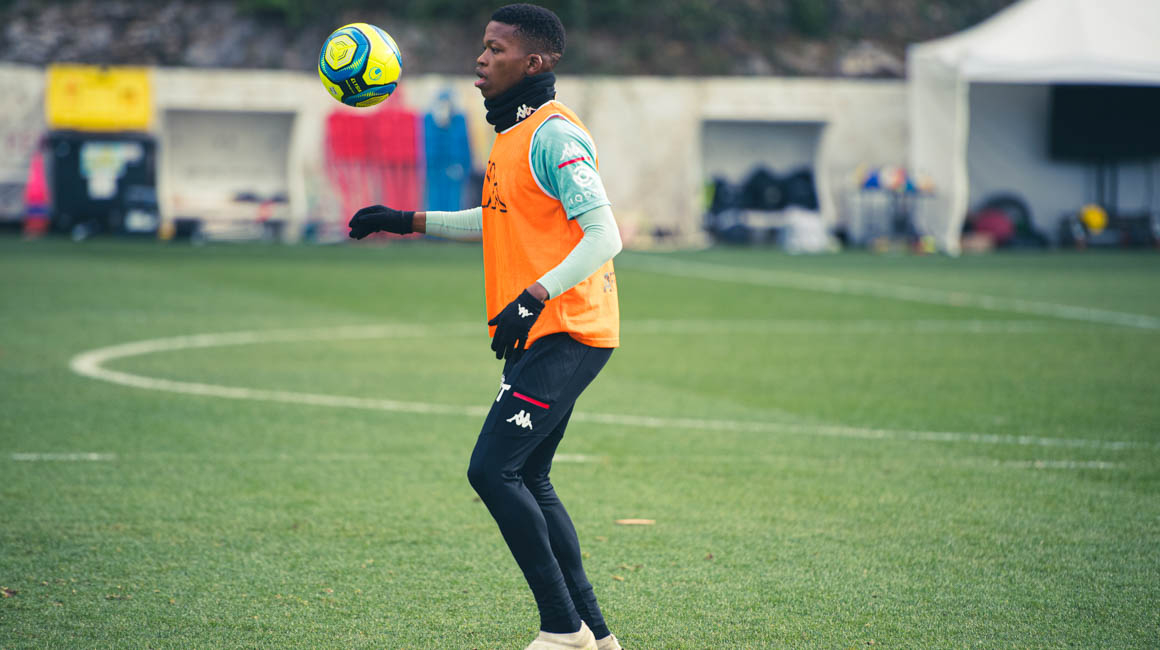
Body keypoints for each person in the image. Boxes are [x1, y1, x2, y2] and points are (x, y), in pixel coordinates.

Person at [347, 5, 624, 649]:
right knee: (528, 476)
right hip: (543, 331)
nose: (480, 58)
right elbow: (499, 218)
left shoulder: (554, 135)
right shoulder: (512, 134)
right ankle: (597, 638)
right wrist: (406, 220)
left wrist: (533, 295)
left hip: (568, 329)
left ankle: (562, 630)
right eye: (483, 46)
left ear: (534, 62)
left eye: (496, 48)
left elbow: (604, 234)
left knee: (492, 471)